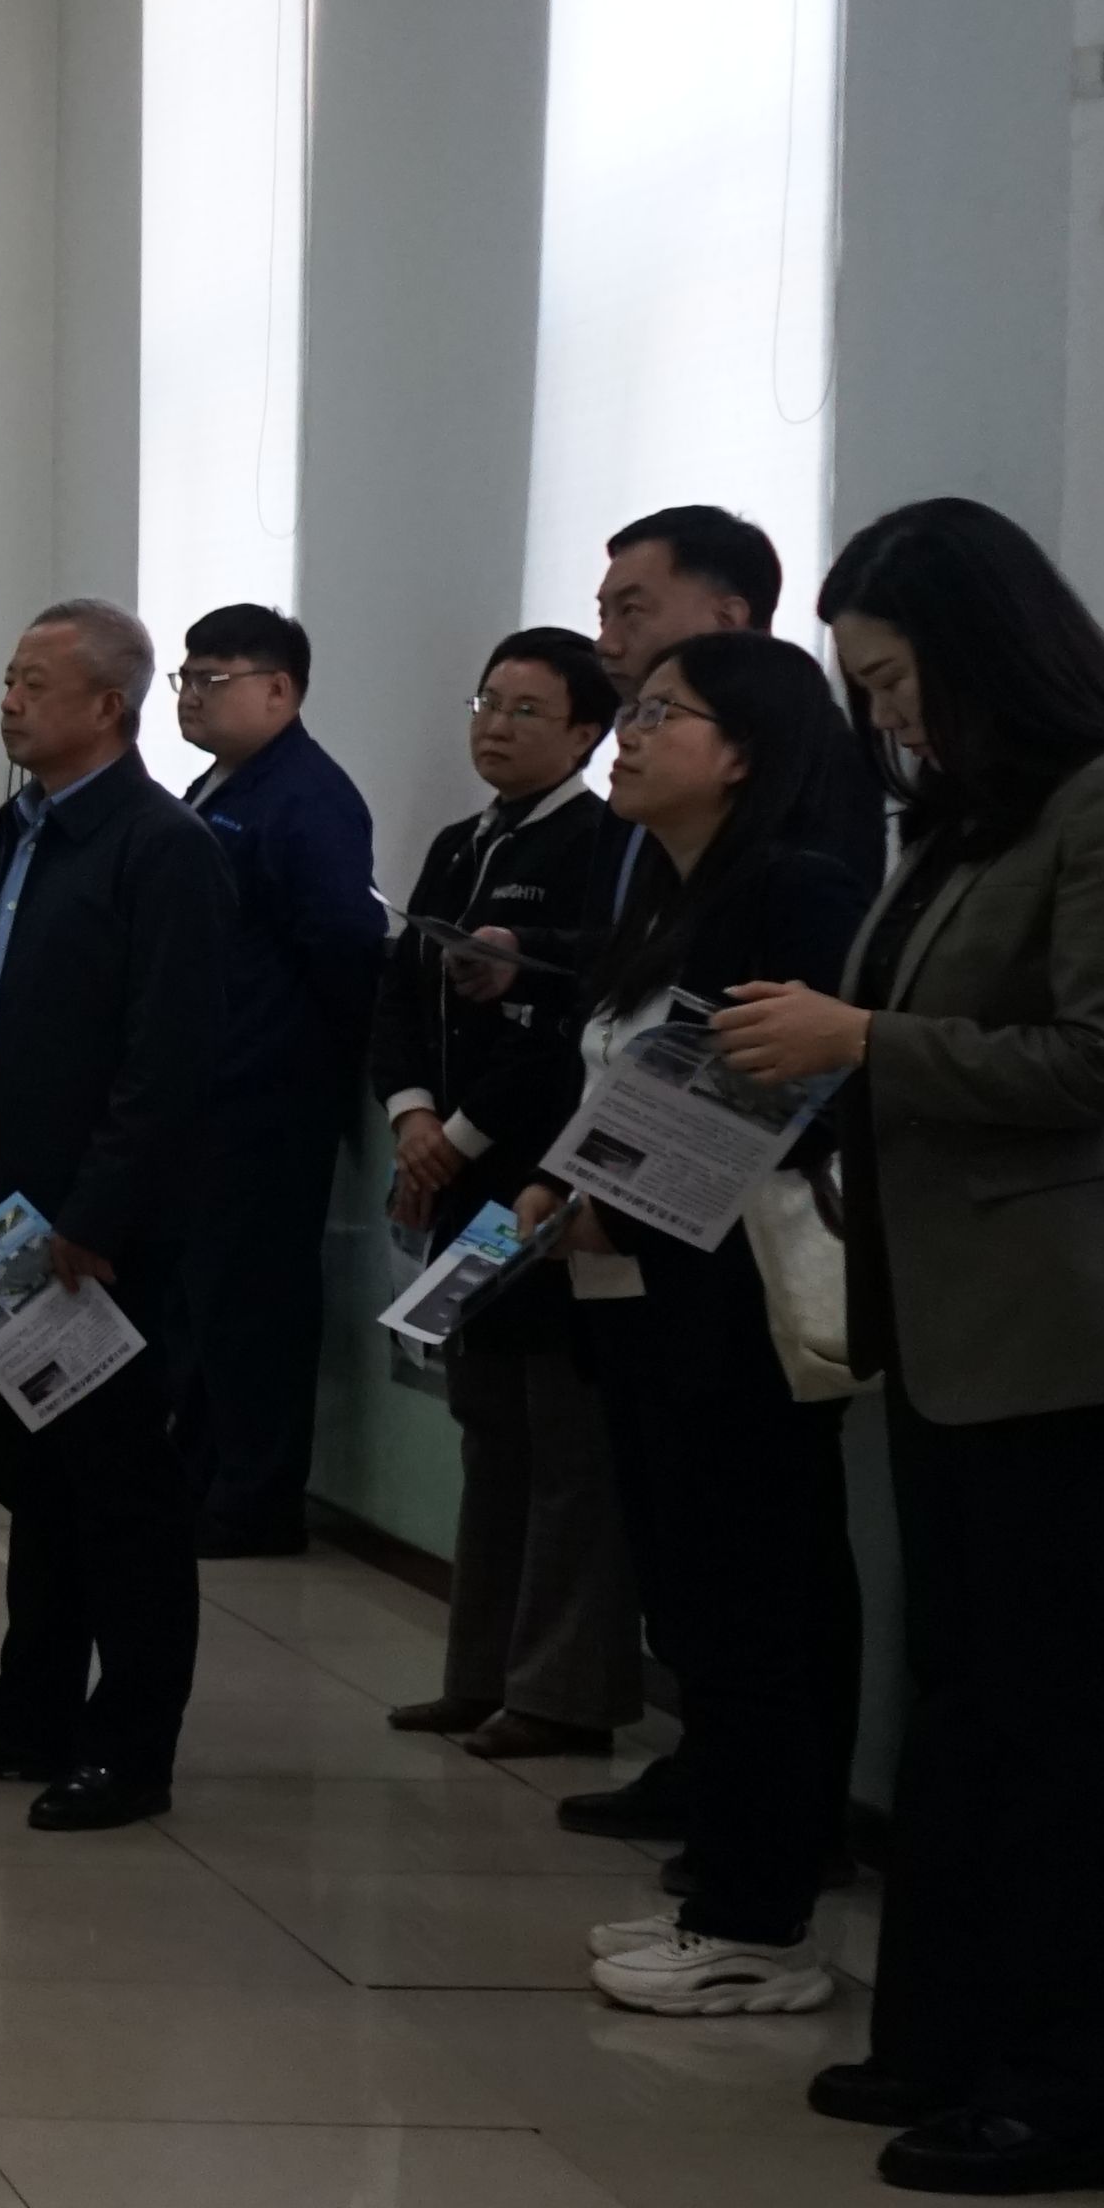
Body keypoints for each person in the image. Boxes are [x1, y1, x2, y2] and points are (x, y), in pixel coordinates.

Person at [707, 502, 1104, 2193]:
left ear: (984, 647)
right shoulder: (965, 817)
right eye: (864, 690)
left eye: (896, 677)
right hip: (940, 1315)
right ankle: (945, 2030)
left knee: (1057, 1709)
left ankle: (1079, 2084)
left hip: (1061, 1326)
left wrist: (862, 1038)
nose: (887, 716)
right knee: (961, 1697)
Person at [469, 632, 870, 2018]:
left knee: (754, 1608)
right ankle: (724, 1886)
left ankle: (764, 1918)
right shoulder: (660, 890)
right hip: (637, 1299)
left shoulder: (795, 889)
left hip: (735, 1308)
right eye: (630, 713)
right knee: (693, 1602)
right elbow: (618, 1077)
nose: (627, 737)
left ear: (743, 752)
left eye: (660, 715)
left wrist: (616, 1204)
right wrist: (553, 1180)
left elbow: (776, 1098)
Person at [0, 601, 227, 1829]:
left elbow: (168, 1054)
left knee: (121, 1492)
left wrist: (97, 1214)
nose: (10, 700)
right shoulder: (14, 829)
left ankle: (131, 1745)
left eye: (36, 682)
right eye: (8, 678)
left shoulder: (162, 846)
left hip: (94, 1223)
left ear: (108, 707)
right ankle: (28, 1709)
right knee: (34, 1474)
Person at [372, 628, 645, 1756]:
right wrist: (411, 1116)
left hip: (548, 1179)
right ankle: (478, 1672)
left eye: (528, 709)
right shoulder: (458, 844)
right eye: (487, 701)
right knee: (487, 1428)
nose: (496, 724)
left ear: (587, 732)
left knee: (564, 1442)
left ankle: (560, 1692)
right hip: (453, 1177)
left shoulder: (604, 843)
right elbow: (399, 992)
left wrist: (461, 1134)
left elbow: (571, 1024)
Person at [166, 604, 383, 1556]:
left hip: (267, 1092)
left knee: (254, 1301)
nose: (190, 695)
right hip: (205, 1088)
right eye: (185, 677)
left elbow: (342, 942)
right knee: (202, 1300)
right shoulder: (214, 784)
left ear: (279, 690)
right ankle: (199, 1481)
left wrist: (300, 1058)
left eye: (212, 679)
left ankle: (254, 1500)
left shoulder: (308, 797)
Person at [598, 501, 883, 898]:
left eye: (631, 611)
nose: (605, 644)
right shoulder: (644, 756)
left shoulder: (817, 756)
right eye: (603, 616)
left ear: (728, 620)